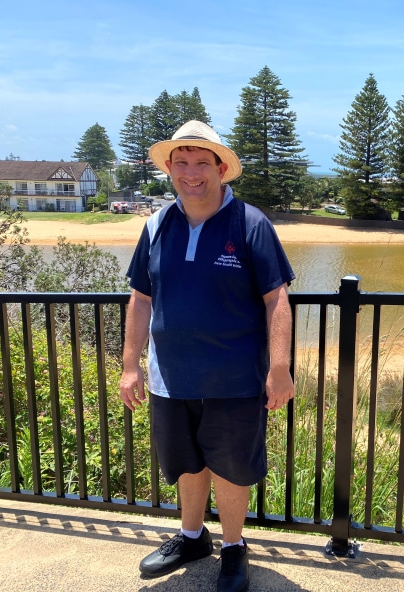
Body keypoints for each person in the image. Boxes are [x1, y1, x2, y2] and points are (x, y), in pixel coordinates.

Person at [119, 120, 295, 592]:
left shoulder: (250, 223)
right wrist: (130, 365)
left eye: (202, 163)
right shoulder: (156, 226)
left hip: (236, 379)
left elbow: (277, 298)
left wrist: (280, 370)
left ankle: (234, 548)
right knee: (188, 463)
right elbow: (140, 297)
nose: (191, 172)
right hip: (170, 378)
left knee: (232, 467)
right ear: (170, 169)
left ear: (221, 169)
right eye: (182, 163)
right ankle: (192, 536)